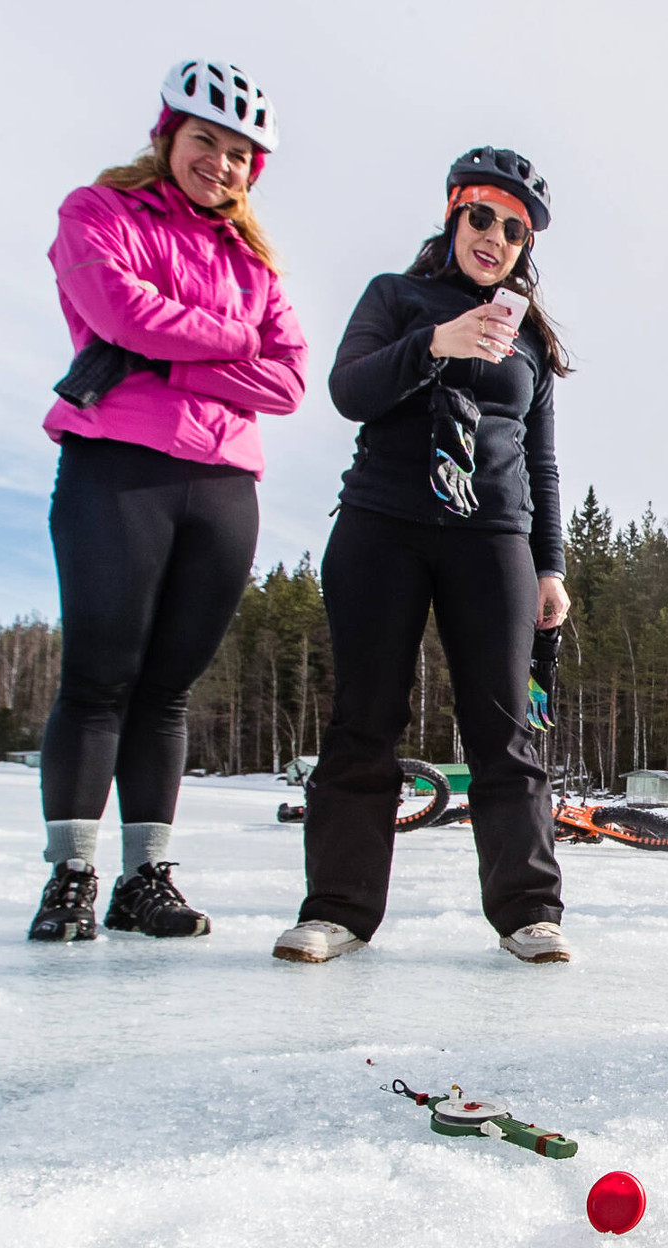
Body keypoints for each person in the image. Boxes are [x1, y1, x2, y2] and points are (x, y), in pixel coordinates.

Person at [27, 59, 304, 943]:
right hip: (118, 466)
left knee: (169, 692)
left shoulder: (252, 261)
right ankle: (72, 872)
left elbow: (290, 377)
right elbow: (118, 311)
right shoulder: (98, 212)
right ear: (168, 135)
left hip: (223, 486)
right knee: (100, 675)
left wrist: (170, 355)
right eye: (205, 142)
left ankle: (147, 875)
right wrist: (228, 345)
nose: (218, 164)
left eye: (236, 154)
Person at [274, 147, 573, 965]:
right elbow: (348, 390)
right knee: (364, 719)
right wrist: (437, 342)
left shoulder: (529, 339)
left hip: (494, 539)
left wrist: (550, 565)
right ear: (453, 216)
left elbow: (540, 459)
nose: (497, 238)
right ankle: (336, 909)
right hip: (384, 525)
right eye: (484, 217)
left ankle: (529, 913)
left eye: (516, 231)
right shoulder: (396, 298)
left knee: (505, 728)